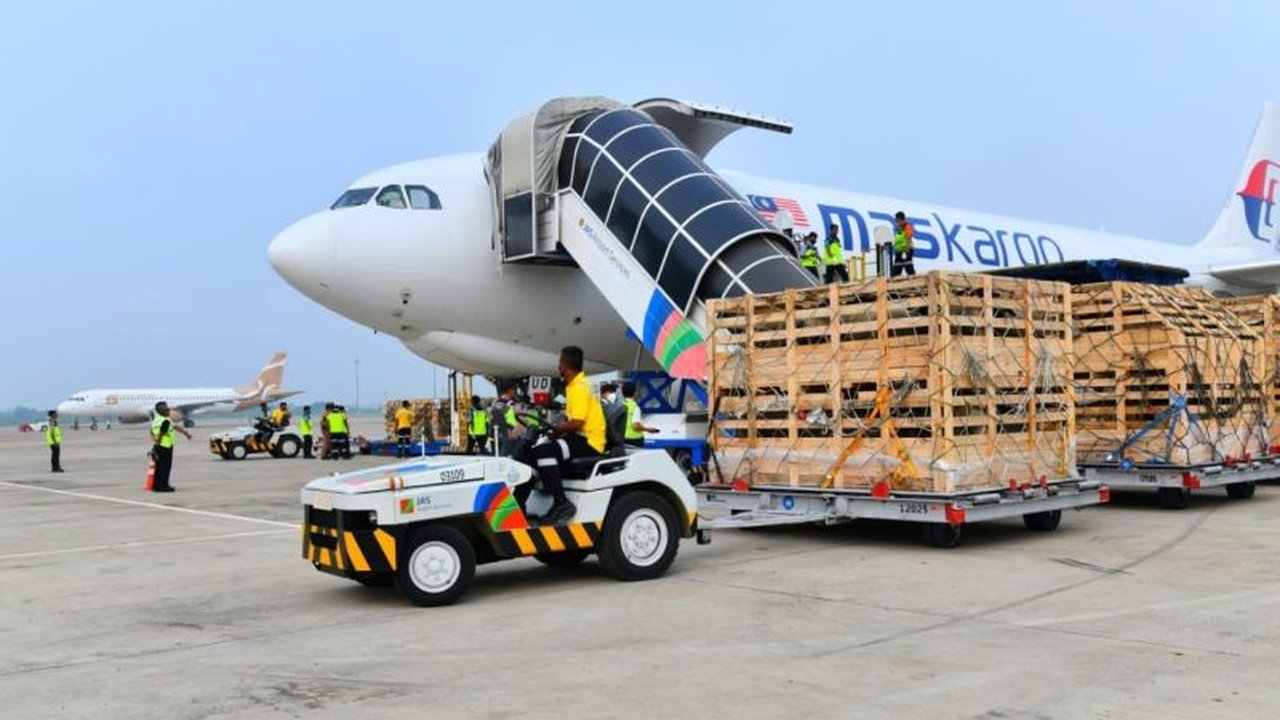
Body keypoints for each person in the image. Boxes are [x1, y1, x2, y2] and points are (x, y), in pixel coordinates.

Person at [528, 346, 606, 524]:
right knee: (534, 453)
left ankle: (561, 503)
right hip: (579, 438)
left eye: (560, 363)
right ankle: (548, 488)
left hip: (589, 442)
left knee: (543, 453)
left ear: (567, 364)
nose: (558, 367)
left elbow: (577, 423)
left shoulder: (579, 387)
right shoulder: (574, 386)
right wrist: (556, 430)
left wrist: (558, 430)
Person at [149, 401, 191, 492]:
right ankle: (163, 486)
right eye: (167, 409)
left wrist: (186, 433)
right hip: (165, 446)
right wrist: (158, 443)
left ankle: (156, 486)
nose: (169, 411)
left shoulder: (156, 420)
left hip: (159, 446)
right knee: (165, 467)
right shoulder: (165, 421)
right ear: (163, 411)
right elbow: (161, 433)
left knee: (158, 467)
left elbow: (152, 432)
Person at [620, 382, 659, 448]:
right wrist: (648, 429)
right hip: (634, 440)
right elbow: (635, 426)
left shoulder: (619, 406)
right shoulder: (635, 407)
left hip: (621, 439)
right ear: (635, 393)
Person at [892, 211, 917, 277]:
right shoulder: (898, 229)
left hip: (906, 250)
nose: (898, 222)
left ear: (903, 220)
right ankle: (895, 279)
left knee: (908, 265)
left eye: (900, 221)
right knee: (897, 266)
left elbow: (909, 237)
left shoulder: (907, 227)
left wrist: (907, 248)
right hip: (899, 251)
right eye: (897, 221)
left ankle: (912, 278)